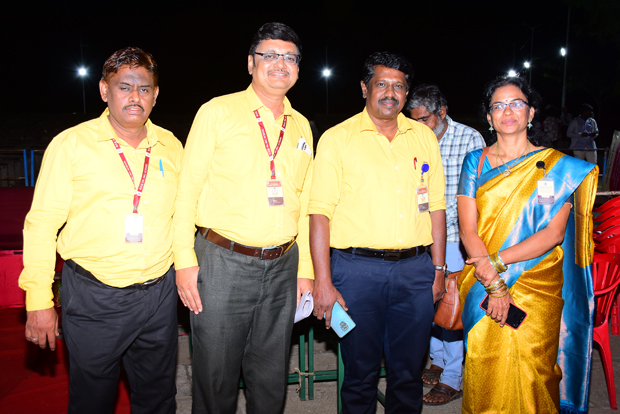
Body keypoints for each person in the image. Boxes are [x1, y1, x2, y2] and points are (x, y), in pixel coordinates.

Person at [19, 47, 183, 414]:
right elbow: (41, 223)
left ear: (156, 94)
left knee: (159, 399)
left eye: (144, 88)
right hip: (96, 297)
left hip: (159, 294)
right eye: (124, 87)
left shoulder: (171, 146)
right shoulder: (71, 145)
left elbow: (184, 215)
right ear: (104, 90)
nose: (135, 96)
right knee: (92, 401)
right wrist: (38, 300)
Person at [173, 22, 314, 414]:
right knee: (215, 378)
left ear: (298, 68)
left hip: (283, 265)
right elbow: (187, 189)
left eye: (289, 57)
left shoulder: (301, 125)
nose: (280, 64)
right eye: (270, 55)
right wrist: (184, 261)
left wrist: (305, 270)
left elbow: (304, 203)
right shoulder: (217, 111)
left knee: (269, 380)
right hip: (223, 263)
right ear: (251, 63)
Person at [310, 52, 447, 414]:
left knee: (408, 373)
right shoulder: (337, 139)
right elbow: (319, 213)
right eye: (381, 84)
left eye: (398, 86)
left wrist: (438, 269)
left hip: (415, 272)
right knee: (359, 374)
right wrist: (323, 281)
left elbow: (436, 207)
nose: (390, 92)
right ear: (364, 88)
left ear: (407, 92)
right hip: (356, 273)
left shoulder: (423, 137)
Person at [457, 76, 598, 413]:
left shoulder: (557, 167)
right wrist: (494, 283)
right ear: (489, 117)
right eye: (498, 106)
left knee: (535, 369)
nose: (507, 111)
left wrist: (496, 264)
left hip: (538, 284)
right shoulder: (475, 162)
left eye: (516, 103)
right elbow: (467, 229)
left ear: (531, 113)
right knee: (484, 363)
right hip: (483, 282)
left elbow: (553, 234)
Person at [406, 84, 485, 405]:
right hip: (418, 237)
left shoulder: (469, 139)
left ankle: (453, 377)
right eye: (413, 119)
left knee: (451, 304)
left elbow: (477, 195)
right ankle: (438, 360)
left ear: (442, 112)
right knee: (428, 301)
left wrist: (443, 228)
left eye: (424, 119)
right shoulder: (411, 137)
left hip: (454, 236)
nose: (418, 125)